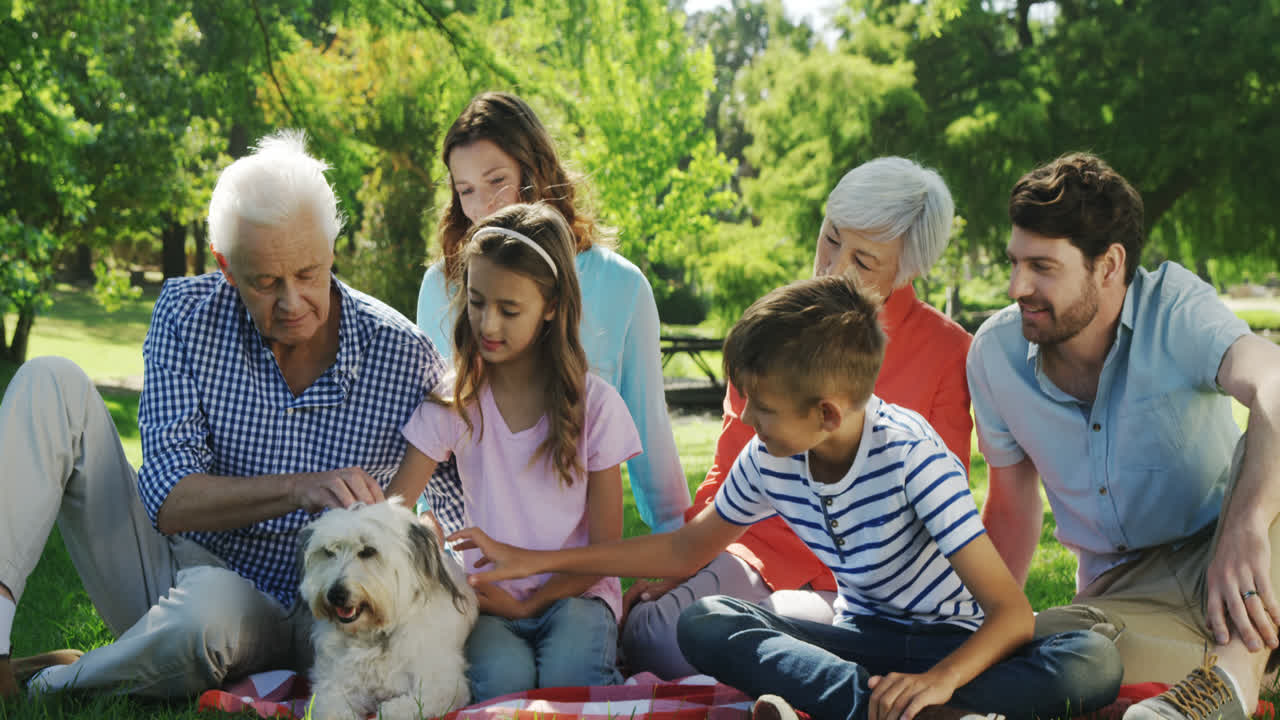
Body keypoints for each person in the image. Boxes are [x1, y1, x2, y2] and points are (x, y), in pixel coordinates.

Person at [450, 274, 1123, 720]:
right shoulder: (772, 456)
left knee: (1090, 663)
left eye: (763, 409)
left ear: (826, 415)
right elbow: (687, 548)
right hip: (855, 640)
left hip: (945, 643)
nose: (745, 424)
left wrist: (939, 680)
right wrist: (525, 556)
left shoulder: (912, 458)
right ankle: (895, 711)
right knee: (707, 621)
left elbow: (1008, 614)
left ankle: (901, 708)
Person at [0, 131, 441, 699]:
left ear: (333, 247)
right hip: (185, 577)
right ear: (226, 267)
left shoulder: (403, 354)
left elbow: (457, 492)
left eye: (308, 273)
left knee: (201, 622)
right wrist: (297, 490)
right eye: (264, 281)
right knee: (49, 380)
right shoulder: (187, 315)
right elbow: (168, 499)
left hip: (333, 616)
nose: (291, 302)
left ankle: (46, 685)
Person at [622, 156, 975, 679]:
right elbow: (726, 471)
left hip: (864, 590)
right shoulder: (777, 324)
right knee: (649, 636)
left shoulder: (949, 352)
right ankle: (785, 672)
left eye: (863, 260)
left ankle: (782, 669)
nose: (832, 267)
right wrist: (684, 567)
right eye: (830, 238)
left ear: (909, 271)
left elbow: (941, 510)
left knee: (753, 642)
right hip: (756, 555)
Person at [966, 152, 1280, 720]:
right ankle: (1220, 682)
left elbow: (1275, 380)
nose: (1017, 287)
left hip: (1233, 554)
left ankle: (1229, 681)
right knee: (1032, 658)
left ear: (1109, 264)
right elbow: (1012, 510)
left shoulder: (1174, 308)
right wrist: (984, 625)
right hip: (1121, 599)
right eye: (1015, 262)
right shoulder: (994, 355)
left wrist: (1247, 525)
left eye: (1042, 266)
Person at [388, 203, 641, 701]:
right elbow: (394, 508)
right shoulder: (454, 401)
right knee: (501, 686)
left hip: (577, 595)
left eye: (509, 310)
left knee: (569, 684)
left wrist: (533, 603)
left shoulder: (596, 407)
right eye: (477, 302)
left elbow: (604, 554)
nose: (487, 324)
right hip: (486, 599)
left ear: (550, 307)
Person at [416, 91, 688, 540]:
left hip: (574, 567)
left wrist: (679, 554)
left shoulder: (622, 286)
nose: (484, 206)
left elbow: (650, 440)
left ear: (536, 170)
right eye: (465, 190)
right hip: (472, 567)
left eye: (497, 180)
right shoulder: (441, 287)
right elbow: (432, 436)